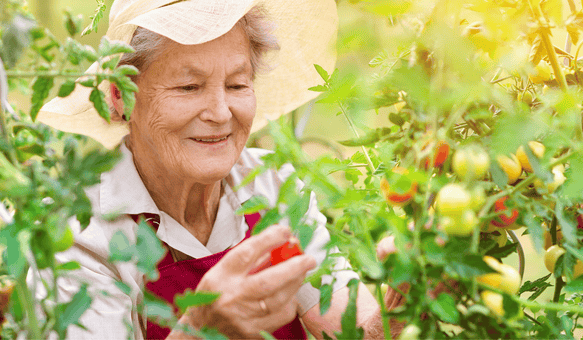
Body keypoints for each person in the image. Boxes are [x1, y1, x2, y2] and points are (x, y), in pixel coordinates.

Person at [35, 0, 406, 339]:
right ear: (122, 94)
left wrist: (407, 299)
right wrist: (197, 329)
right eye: (189, 86)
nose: (220, 112)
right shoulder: (80, 231)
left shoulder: (272, 187)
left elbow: (356, 333)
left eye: (236, 84)